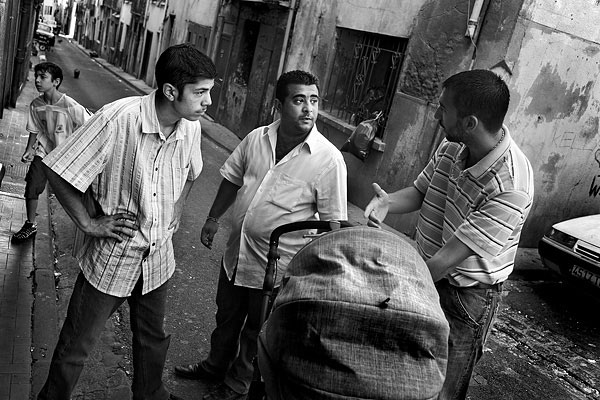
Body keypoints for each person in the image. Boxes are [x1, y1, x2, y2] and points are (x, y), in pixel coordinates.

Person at [37, 43, 217, 400]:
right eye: (200, 92)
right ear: (170, 91)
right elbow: (57, 168)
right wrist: (89, 223)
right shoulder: (118, 119)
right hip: (112, 258)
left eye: (209, 91)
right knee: (76, 346)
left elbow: (192, 171)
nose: (208, 101)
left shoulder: (191, 128)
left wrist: (177, 209)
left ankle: (151, 395)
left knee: (152, 340)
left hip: (158, 259)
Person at [174, 70, 348, 400]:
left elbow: (333, 226)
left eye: (314, 101)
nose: (308, 109)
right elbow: (232, 178)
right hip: (237, 254)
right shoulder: (257, 138)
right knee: (225, 317)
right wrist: (212, 218)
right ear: (278, 104)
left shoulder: (329, 160)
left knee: (257, 330)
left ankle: (235, 387)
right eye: (299, 100)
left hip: (278, 269)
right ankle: (214, 365)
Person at [364, 69, 534, 400]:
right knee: (406, 373)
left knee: (442, 390)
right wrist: (388, 202)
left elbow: (443, 263)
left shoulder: (511, 186)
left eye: (443, 108)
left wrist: (388, 290)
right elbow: (420, 192)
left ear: (469, 123)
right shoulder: (451, 146)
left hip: (466, 297)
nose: (437, 114)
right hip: (430, 274)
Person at [12, 61, 91, 242]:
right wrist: (29, 149)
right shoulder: (35, 104)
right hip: (45, 151)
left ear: (55, 82)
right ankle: (30, 225)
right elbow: (34, 128)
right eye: (37, 76)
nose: (37, 80)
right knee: (32, 185)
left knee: (75, 194)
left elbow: (90, 124)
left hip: (65, 156)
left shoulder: (70, 105)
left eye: (43, 77)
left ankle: (88, 228)